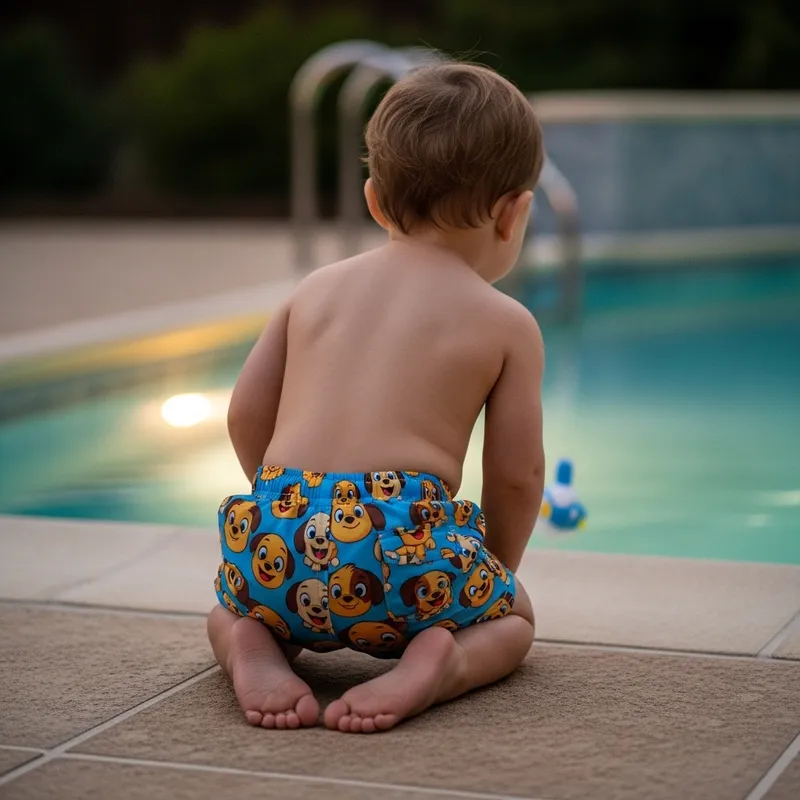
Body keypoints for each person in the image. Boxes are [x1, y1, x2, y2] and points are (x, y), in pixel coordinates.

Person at [207, 61, 546, 734]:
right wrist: (492, 573)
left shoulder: (314, 290)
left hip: (279, 538)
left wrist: (298, 507)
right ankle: (440, 662)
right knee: (515, 622)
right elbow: (516, 474)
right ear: (514, 213)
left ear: (374, 200)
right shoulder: (505, 321)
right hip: (407, 563)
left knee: (227, 606)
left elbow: (245, 414)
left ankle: (254, 643)